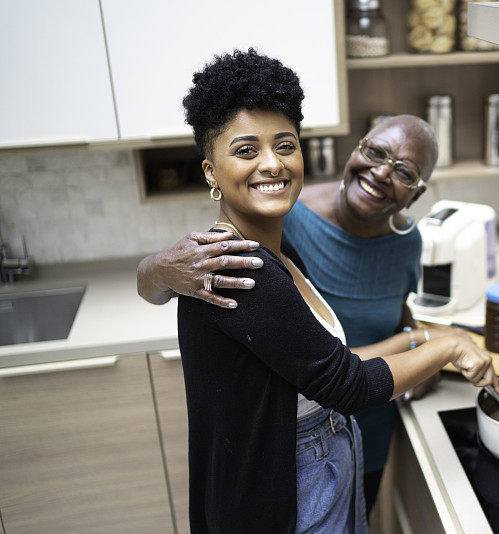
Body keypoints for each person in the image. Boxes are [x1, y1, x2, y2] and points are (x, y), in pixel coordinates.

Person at [167, 48, 499, 534]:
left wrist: (423, 339)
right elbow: (349, 384)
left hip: (318, 458)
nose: (271, 164)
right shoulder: (243, 270)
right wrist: (448, 343)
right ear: (210, 172)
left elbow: (331, 359)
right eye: (245, 150)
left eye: (285, 145)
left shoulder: (276, 253)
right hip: (286, 484)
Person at [139, 115, 450, 509]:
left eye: (405, 172)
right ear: (356, 150)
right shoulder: (283, 214)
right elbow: (343, 379)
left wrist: (420, 352)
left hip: (365, 424)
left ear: (416, 194)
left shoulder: (407, 243)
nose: (382, 172)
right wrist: (152, 268)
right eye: (375, 152)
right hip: (305, 434)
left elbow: (397, 307)